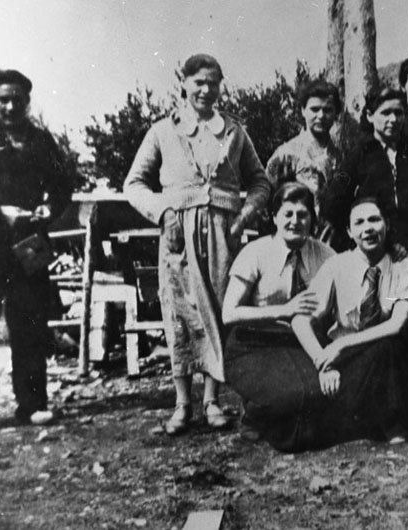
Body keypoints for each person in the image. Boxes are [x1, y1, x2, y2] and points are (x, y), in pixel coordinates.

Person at [124, 54, 271, 435]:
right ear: (184, 84)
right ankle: (181, 403)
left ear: (221, 86)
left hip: (223, 232)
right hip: (178, 234)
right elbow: (133, 184)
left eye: (212, 82)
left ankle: (212, 400)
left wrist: (243, 218)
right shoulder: (163, 131)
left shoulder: (234, 131)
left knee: (219, 309)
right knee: (180, 313)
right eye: (198, 82)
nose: (205, 90)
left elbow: (261, 182)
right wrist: (163, 212)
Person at [0, 69, 72, 425]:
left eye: (18, 99)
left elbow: (62, 185)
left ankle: (31, 404)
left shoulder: (41, 140)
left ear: (27, 101)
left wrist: (49, 208)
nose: (11, 106)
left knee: (30, 323)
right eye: (4, 99)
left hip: (29, 246)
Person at [291, 196, 408, 445]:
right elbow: (300, 320)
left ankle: (391, 425)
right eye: (359, 223)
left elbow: (396, 324)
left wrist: (343, 344)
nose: (367, 228)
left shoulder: (404, 267)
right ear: (350, 232)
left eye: (374, 220)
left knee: (389, 347)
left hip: (387, 365)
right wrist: (323, 364)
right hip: (345, 364)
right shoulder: (337, 265)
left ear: (387, 224)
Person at [221, 182, 335, 451]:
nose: (295, 221)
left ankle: (271, 409)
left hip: (302, 344)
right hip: (254, 343)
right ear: (274, 218)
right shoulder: (255, 253)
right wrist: (284, 310)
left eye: (303, 215)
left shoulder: (326, 255)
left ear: (312, 219)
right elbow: (229, 314)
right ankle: (255, 411)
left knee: (321, 393)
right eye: (288, 214)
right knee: (290, 395)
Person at [324, 87, 408, 256]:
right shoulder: (358, 155)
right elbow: (333, 202)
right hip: (377, 247)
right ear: (370, 116)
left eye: (398, 113)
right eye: (385, 113)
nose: (393, 119)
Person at [265, 79, 342, 242]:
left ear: (336, 113)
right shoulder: (286, 153)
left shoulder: (340, 155)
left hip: (333, 241)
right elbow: (268, 198)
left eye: (328, 110)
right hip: (297, 238)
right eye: (314, 109)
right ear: (302, 110)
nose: (321, 116)